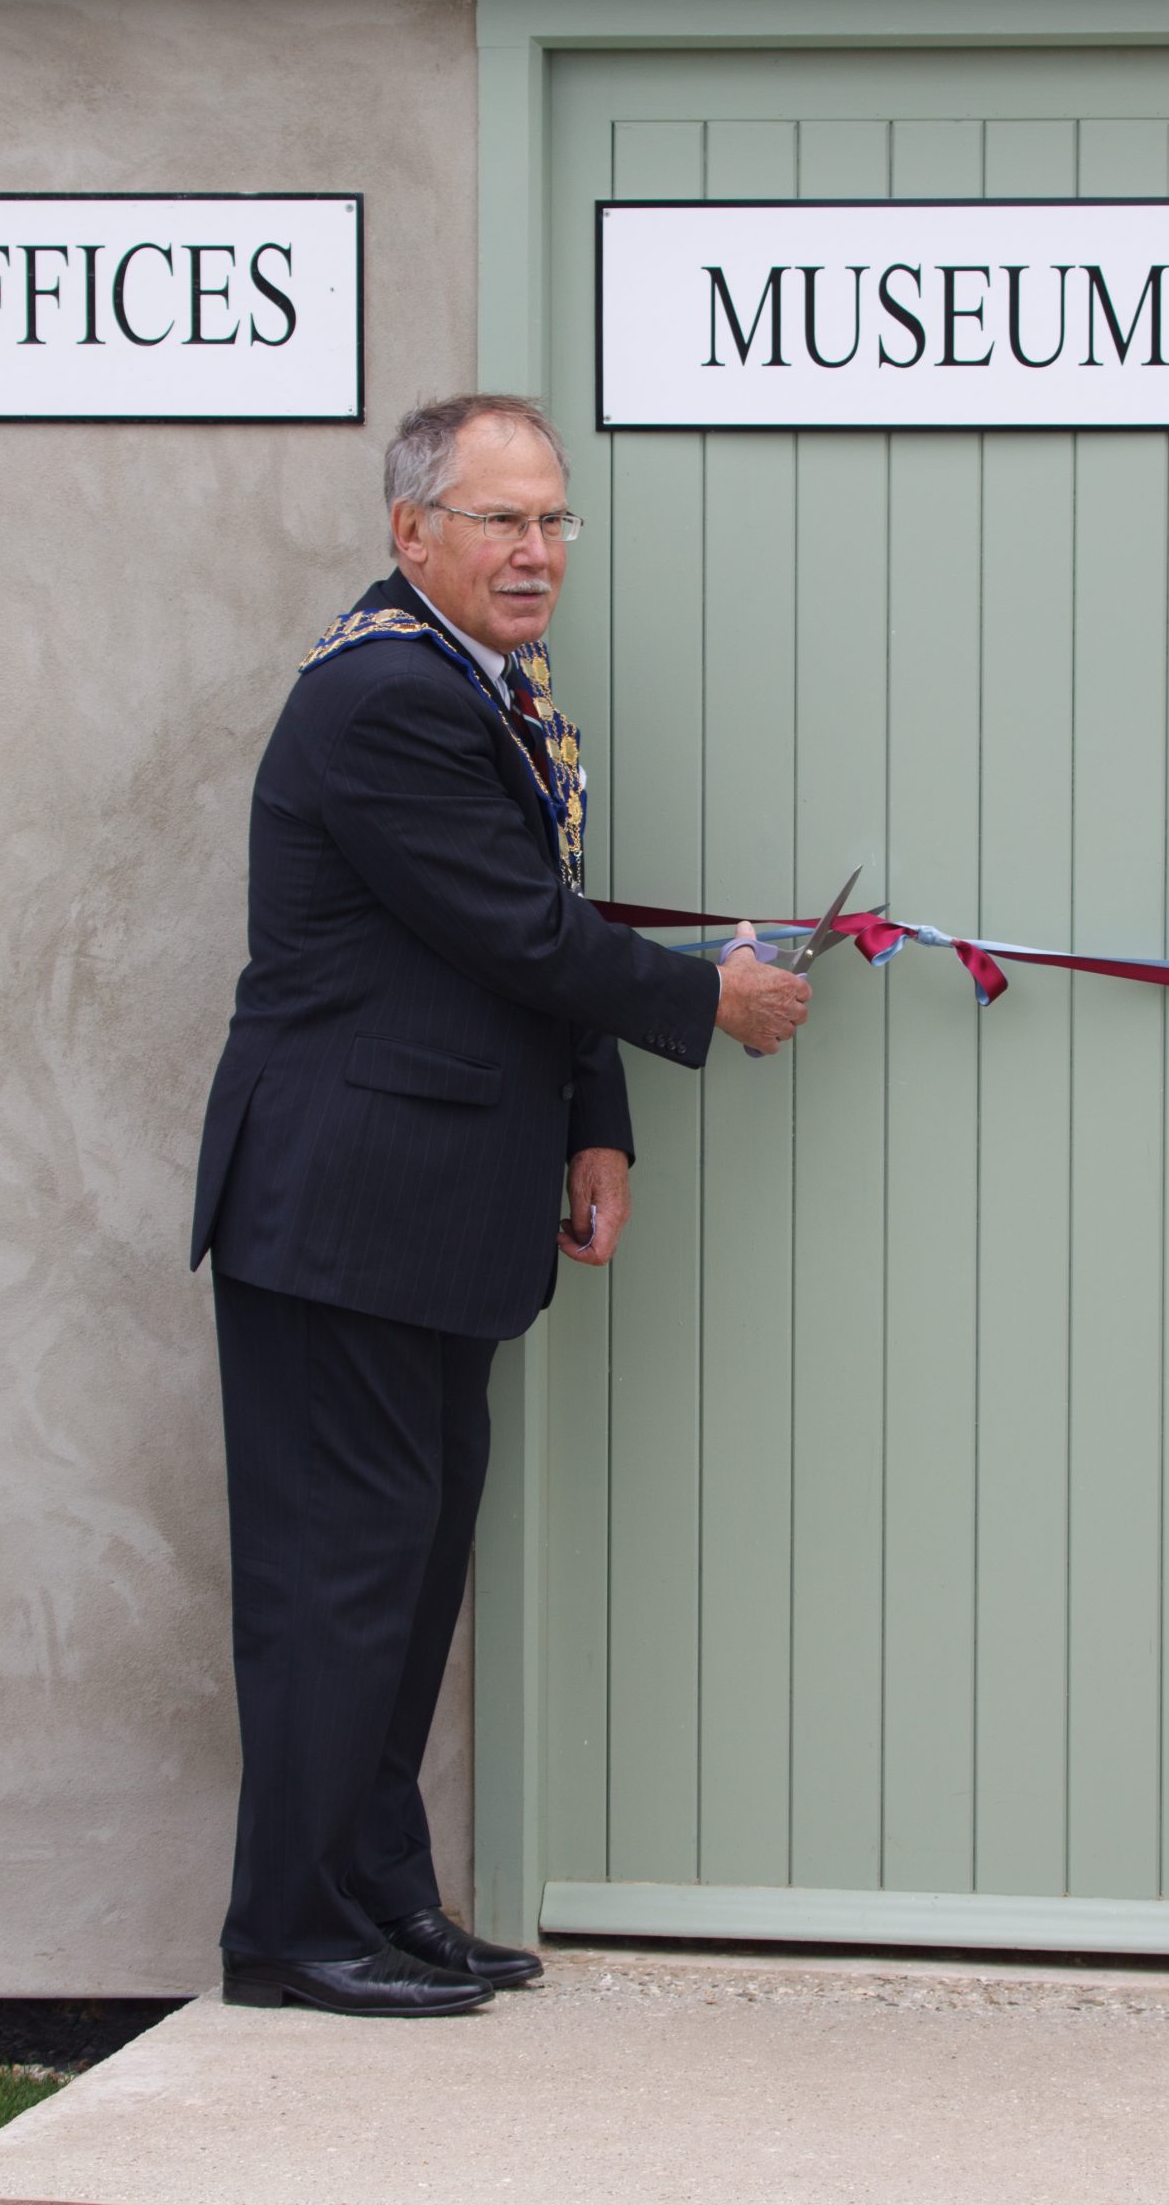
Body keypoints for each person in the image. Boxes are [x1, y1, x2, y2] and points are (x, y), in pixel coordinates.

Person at [190, 392, 809, 2019]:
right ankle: (290, 1934)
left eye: (554, 521)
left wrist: (593, 1122)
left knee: (404, 1569)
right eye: (500, 521)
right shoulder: (389, 699)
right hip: (342, 1213)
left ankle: (380, 1901)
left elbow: (524, 923)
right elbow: (518, 935)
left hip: (424, 1214)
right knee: (339, 1579)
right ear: (414, 537)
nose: (537, 552)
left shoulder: (495, 687)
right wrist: (704, 1005)